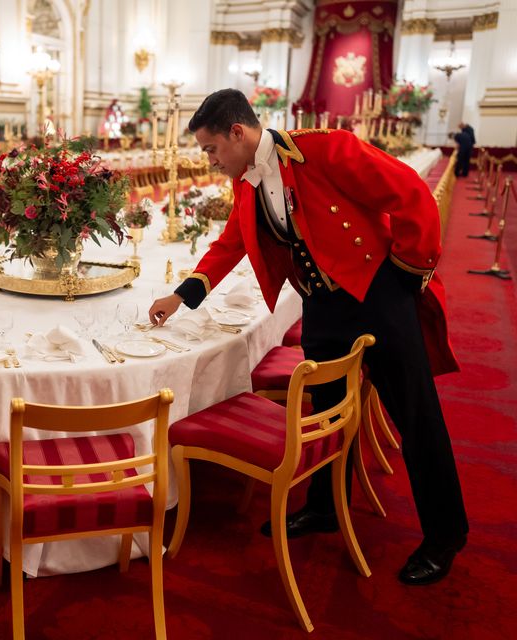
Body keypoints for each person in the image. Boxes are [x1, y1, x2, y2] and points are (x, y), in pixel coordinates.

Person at [149, 89, 468, 585]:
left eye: (211, 149)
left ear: (238, 132)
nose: (209, 161)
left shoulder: (324, 149)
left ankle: (445, 535)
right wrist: (182, 295)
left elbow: (410, 193)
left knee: (416, 413)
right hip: (321, 303)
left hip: (377, 295)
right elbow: (232, 239)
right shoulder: (247, 180)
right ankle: (322, 507)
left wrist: (406, 274)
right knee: (324, 412)